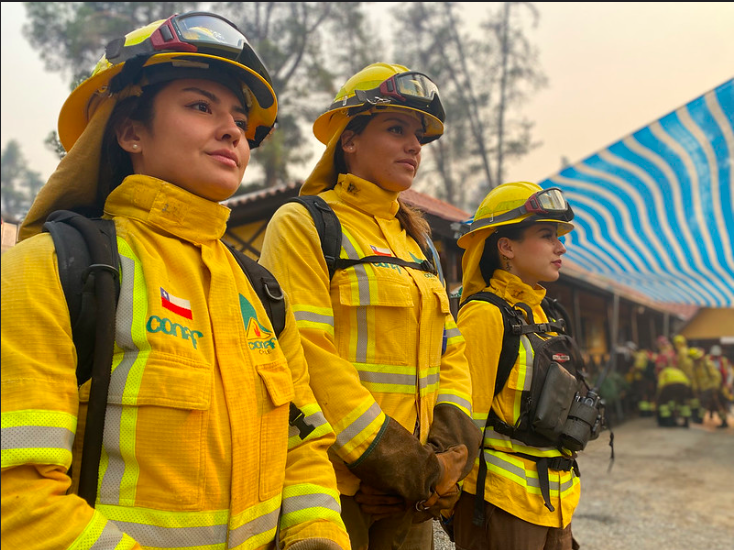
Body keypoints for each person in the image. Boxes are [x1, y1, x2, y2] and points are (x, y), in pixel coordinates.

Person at [1, 12, 350, 550]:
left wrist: (317, 535)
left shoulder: (261, 293)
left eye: (239, 117)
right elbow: (17, 502)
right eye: (200, 105)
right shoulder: (49, 270)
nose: (233, 129)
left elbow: (304, 445)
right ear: (130, 131)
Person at [259, 63, 481, 550]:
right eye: (396, 128)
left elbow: (453, 354)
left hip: (415, 493)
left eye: (419, 135)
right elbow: (308, 358)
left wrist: (443, 463)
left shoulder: (419, 245)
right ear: (349, 140)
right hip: (339, 491)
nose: (414, 145)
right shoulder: (304, 224)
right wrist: (403, 466)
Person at [452, 181, 583, 550]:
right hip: (500, 505)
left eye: (558, 236)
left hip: (555, 503)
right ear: (506, 246)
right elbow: (463, 421)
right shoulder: (484, 315)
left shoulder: (541, 314)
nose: (560, 246)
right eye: (546, 234)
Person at [690, 348, 728, 428]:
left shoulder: (707, 364)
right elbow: (695, 379)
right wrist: (695, 389)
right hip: (704, 389)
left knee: (704, 402)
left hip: (711, 387)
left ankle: (700, 419)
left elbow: (716, 376)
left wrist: (715, 387)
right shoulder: (695, 367)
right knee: (716, 405)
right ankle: (724, 421)